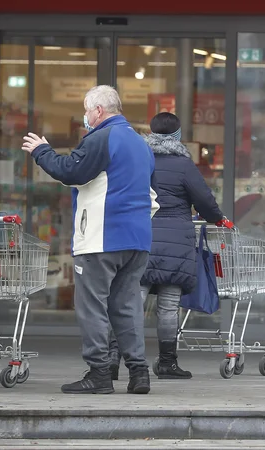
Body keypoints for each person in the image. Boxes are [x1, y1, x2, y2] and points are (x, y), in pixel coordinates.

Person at [21, 85, 158, 394]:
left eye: (86, 110)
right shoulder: (142, 144)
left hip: (101, 237)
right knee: (127, 306)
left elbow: (71, 172)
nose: (84, 116)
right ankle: (139, 373)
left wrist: (42, 151)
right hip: (138, 240)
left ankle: (98, 373)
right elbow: (151, 191)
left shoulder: (100, 138)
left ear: (99, 111)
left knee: (92, 305)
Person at [106, 112, 227, 380]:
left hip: (140, 237)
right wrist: (217, 218)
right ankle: (167, 363)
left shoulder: (138, 159)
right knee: (169, 306)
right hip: (175, 245)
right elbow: (204, 200)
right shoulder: (184, 165)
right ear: (177, 135)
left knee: (130, 303)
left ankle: (113, 360)